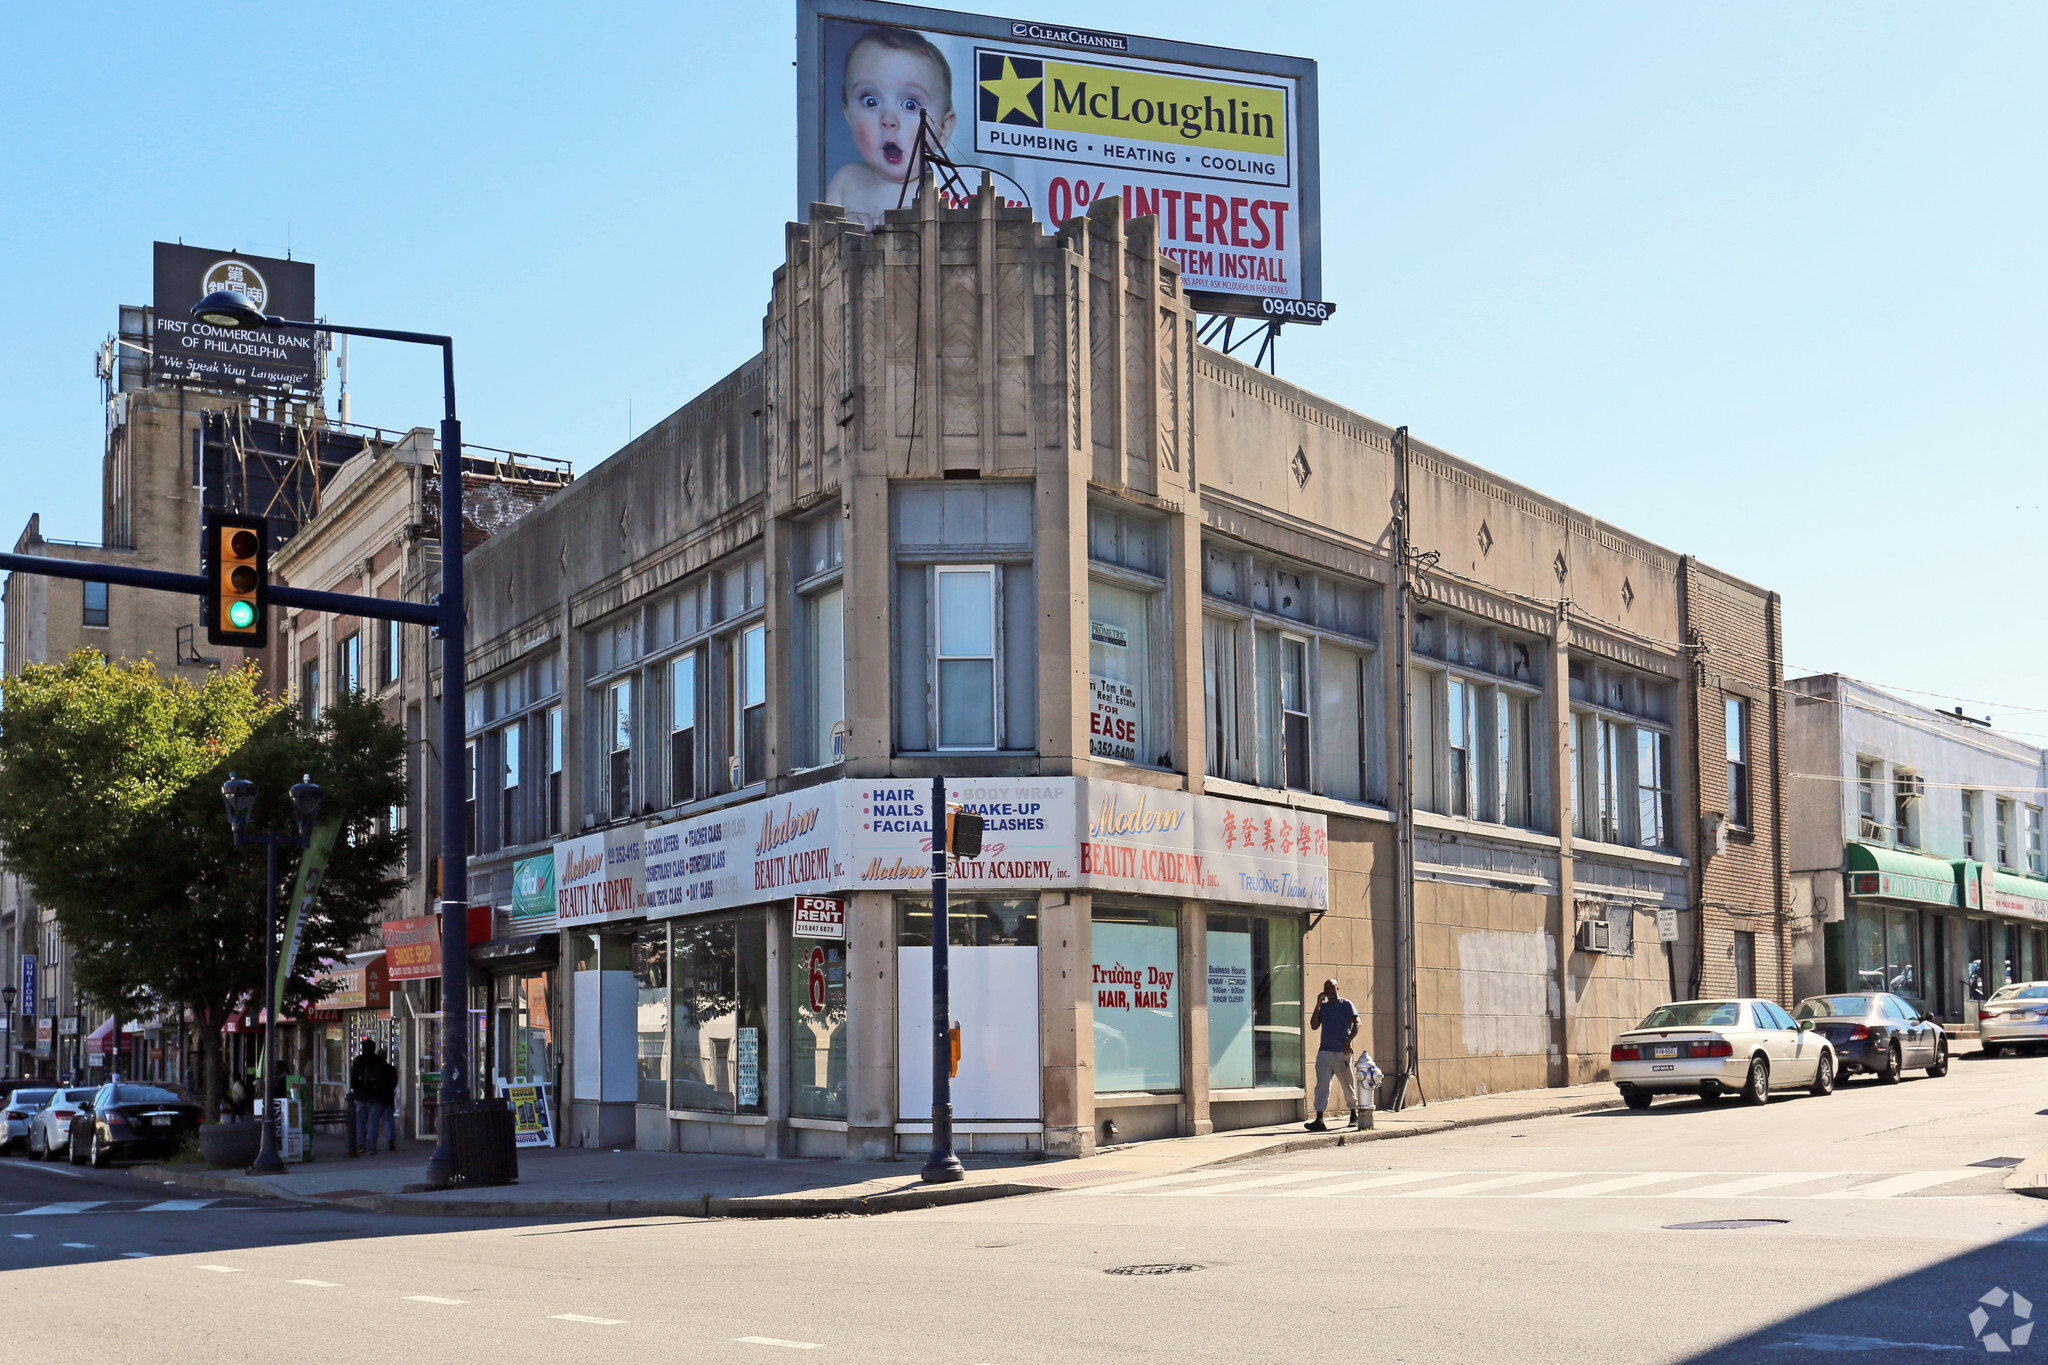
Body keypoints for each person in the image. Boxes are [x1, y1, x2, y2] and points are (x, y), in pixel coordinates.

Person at [826, 26, 957, 229]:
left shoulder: (946, 188)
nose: (888, 120)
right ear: (848, 114)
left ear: (943, 128)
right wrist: (843, 230)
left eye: (910, 105)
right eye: (870, 101)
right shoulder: (847, 180)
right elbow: (821, 242)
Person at [1305, 977, 1360, 1132]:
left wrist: (1348, 1041)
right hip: (1325, 1051)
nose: (1329, 991)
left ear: (1337, 988)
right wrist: (1317, 1005)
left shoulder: (1346, 1004)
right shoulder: (1323, 1007)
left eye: (1332, 987)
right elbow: (1314, 1026)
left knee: (1347, 1083)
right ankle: (1319, 1119)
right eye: (1326, 988)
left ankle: (1354, 1114)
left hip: (1342, 1052)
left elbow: (1358, 1023)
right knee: (1322, 1085)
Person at [349, 1040, 397, 1156]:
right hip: (377, 1096)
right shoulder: (379, 1061)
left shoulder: (358, 1060)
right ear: (374, 1048)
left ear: (363, 1048)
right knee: (373, 1123)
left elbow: (353, 1078)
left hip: (361, 1096)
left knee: (360, 1121)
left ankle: (361, 1145)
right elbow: (387, 1080)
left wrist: (355, 1091)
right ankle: (372, 1147)